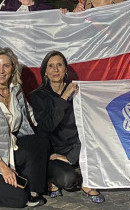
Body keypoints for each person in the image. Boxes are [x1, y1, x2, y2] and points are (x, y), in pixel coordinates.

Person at [0, 47, 49, 208]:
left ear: (13, 68)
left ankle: (33, 189)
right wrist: (3, 168)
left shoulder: (16, 90)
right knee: (19, 199)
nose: (1, 71)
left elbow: (29, 114)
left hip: (12, 148)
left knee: (40, 141)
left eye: (6, 66)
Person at [28, 51, 105, 203]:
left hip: (79, 147)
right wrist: (64, 98)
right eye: (50, 66)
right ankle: (57, 177)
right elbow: (47, 126)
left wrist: (71, 157)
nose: (55, 70)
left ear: (65, 70)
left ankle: (79, 170)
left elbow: (87, 126)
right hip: (54, 153)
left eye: (59, 65)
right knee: (68, 179)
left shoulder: (79, 92)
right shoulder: (38, 96)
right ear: (45, 72)